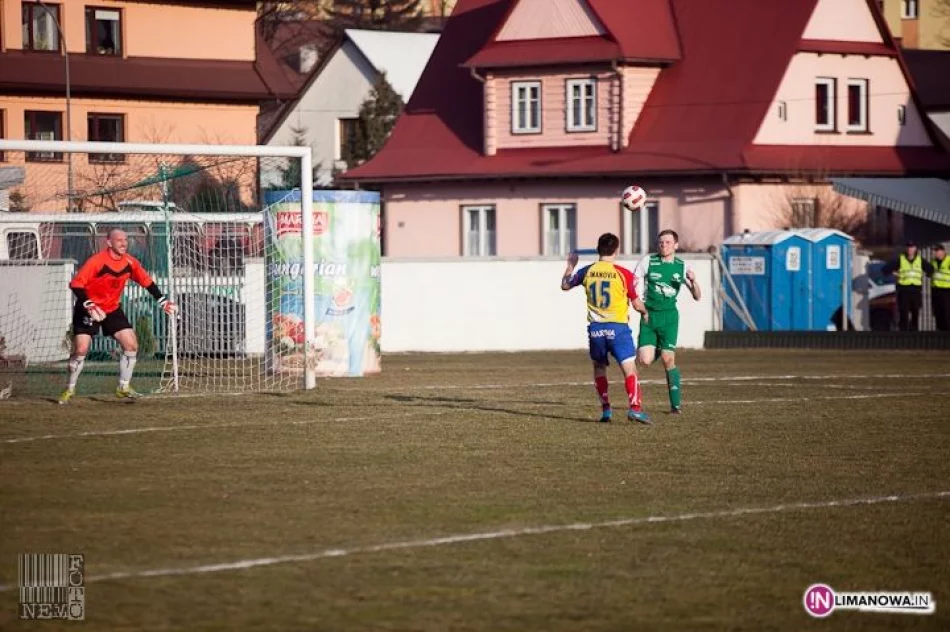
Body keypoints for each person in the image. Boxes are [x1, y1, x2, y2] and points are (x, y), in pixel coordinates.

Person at [58, 228, 177, 404]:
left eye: (126, 240)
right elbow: (76, 283)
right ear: (109, 242)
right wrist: (89, 304)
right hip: (90, 309)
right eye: (119, 240)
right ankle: (70, 388)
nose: (124, 243)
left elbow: (147, 281)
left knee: (131, 344)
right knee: (81, 350)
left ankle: (123, 387)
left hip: (112, 309)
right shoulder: (97, 261)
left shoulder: (130, 262)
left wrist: (162, 300)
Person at [561, 233, 651, 424]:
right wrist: (644, 312)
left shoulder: (587, 271)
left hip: (596, 331)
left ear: (597, 249)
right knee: (630, 369)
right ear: (616, 250)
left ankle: (606, 410)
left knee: (599, 368)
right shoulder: (623, 273)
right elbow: (636, 304)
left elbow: (565, 286)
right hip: (618, 329)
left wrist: (570, 266)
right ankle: (635, 408)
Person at [634, 229, 701, 414]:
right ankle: (654, 348)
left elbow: (697, 296)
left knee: (668, 359)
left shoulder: (682, 266)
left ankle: (675, 406)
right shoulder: (648, 261)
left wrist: (694, 282)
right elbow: (635, 282)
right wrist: (639, 305)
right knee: (645, 361)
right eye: (661, 242)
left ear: (676, 245)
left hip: (669, 317)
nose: (664, 245)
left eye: (668, 242)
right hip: (649, 316)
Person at [882, 241, 934, 331]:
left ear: (915, 249)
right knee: (903, 313)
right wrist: (894, 273)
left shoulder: (920, 260)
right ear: (906, 249)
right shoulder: (900, 259)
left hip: (915, 290)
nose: (910, 249)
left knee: (915, 312)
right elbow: (885, 269)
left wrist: (928, 275)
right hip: (904, 290)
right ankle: (903, 335)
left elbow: (931, 269)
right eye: (908, 247)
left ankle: (914, 334)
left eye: (912, 247)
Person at [931, 244, 950, 331]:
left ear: (943, 251)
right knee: (937, 312)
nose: (936, 253)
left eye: (937, 251)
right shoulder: (933, 262)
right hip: (935, 290)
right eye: (935, 251)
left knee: (946, 312)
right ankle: (940, 332)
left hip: (947, 290)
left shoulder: (949, 260)